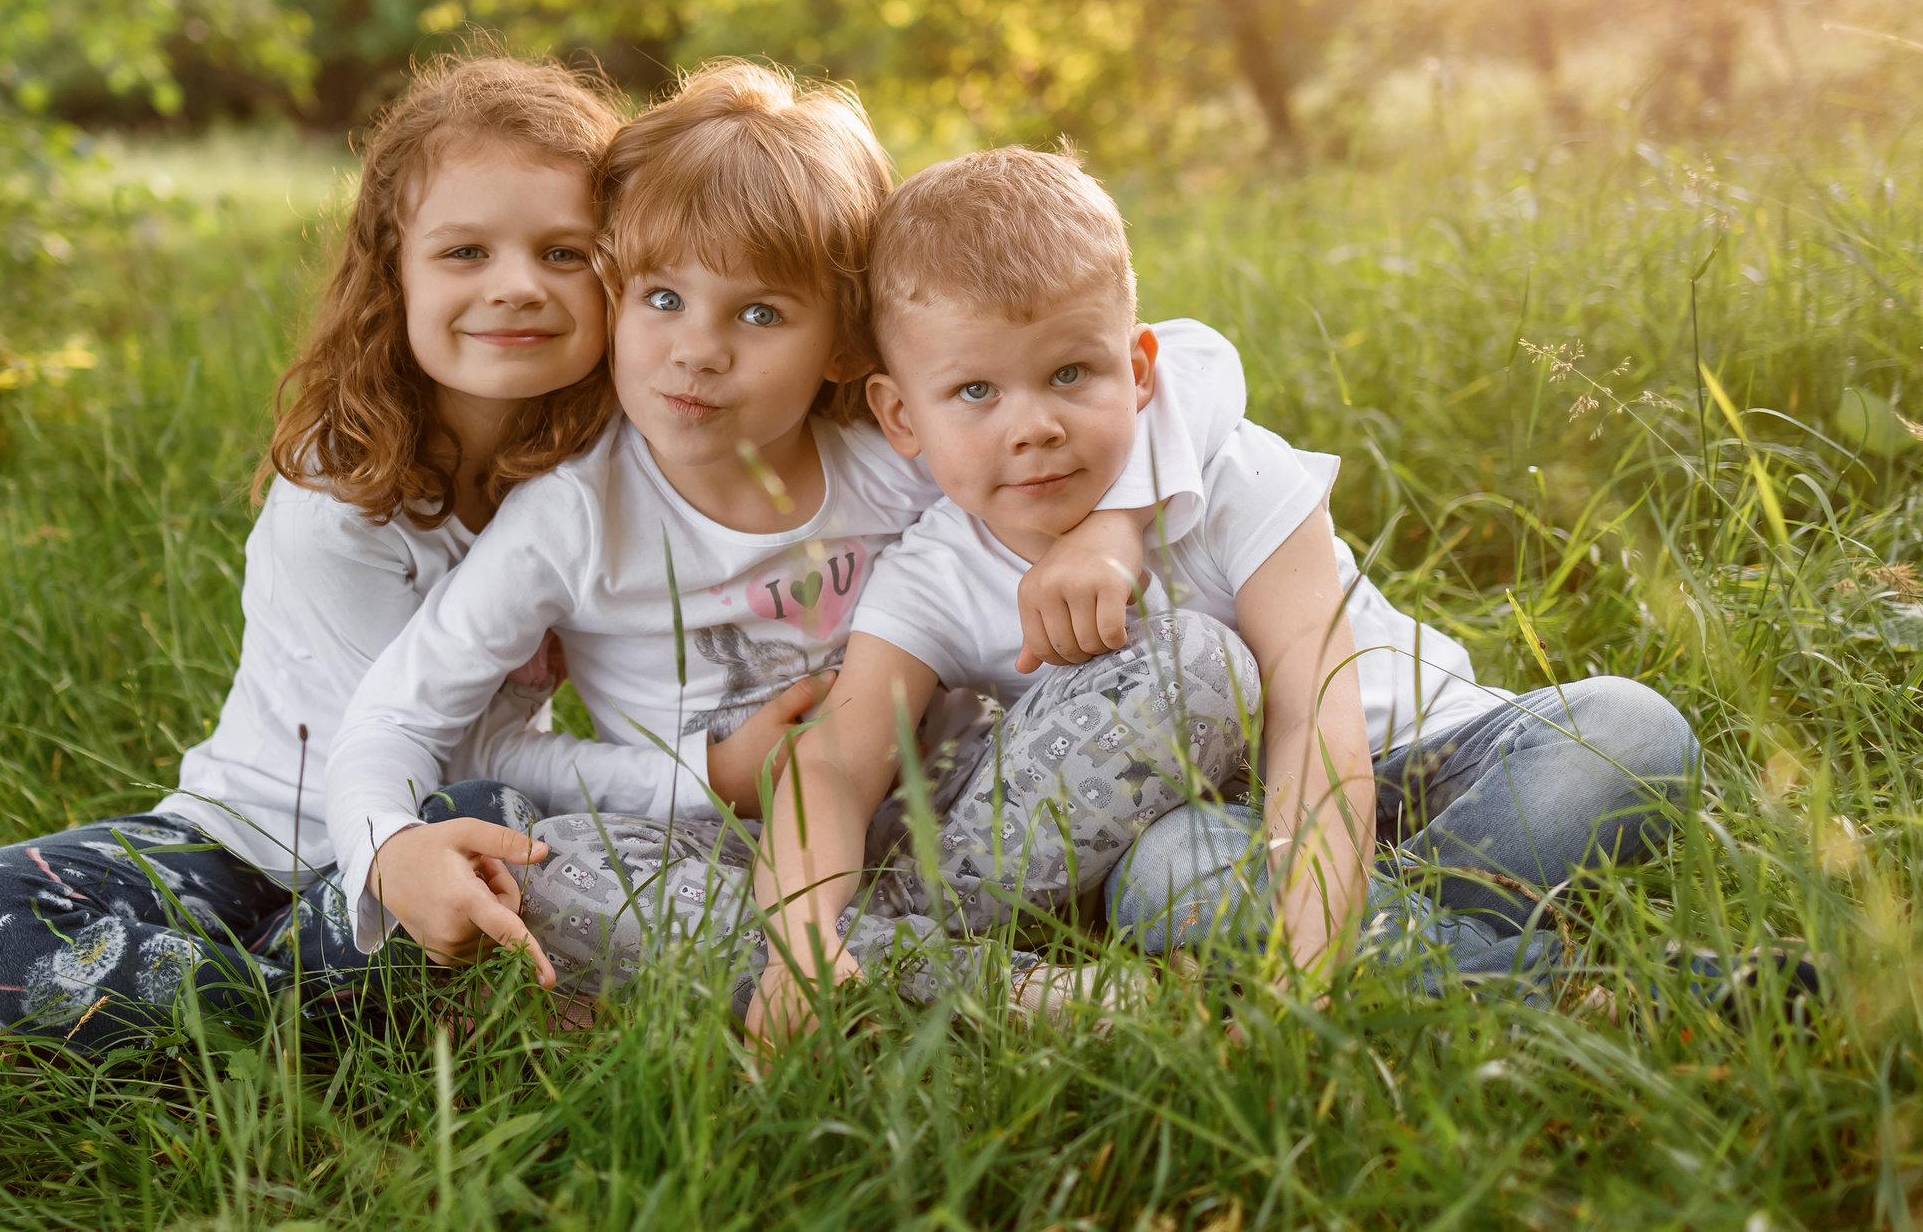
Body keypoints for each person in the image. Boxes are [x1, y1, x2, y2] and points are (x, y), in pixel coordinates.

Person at [0, 55, 823, 1052]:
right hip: (244, 843)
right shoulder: (341, 495)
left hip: (443, 830)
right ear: (394, 270)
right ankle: (295, 1009)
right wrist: (700, 775)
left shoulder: (605, 467)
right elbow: (440, 737)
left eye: (563, 254)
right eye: (465, 252)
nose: (515, 287)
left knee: (499, 824)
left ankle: (253, 1010)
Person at [322, 63, 1246, 1012]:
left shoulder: (893, 453)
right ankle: (1011, 990)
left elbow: (1193, 362)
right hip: (719, 852)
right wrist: (388, 850)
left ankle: (859, 964)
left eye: (759, 312)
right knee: (557, 875)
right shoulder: (571, 517)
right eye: (663, 299)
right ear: (617, 295)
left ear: (849, 343)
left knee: (1199, 662)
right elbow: (394, 719)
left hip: (959, 820)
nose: (699, 349)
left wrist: (1115, 523)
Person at [745, 147, 1698, 1042]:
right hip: (1231, 828)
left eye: (1071, 373)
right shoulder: (935, 572)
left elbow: (1313, 710)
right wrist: (800, 931)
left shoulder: (1235, 475)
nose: (1033, 425)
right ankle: (1562, 993)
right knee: (1168, 870)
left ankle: (1385, 948)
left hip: (1424, 754)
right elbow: (832, 764)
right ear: (899, 415)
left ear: (1141, 368)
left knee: (1632, 729)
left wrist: (1309, 954)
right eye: (975, 393)